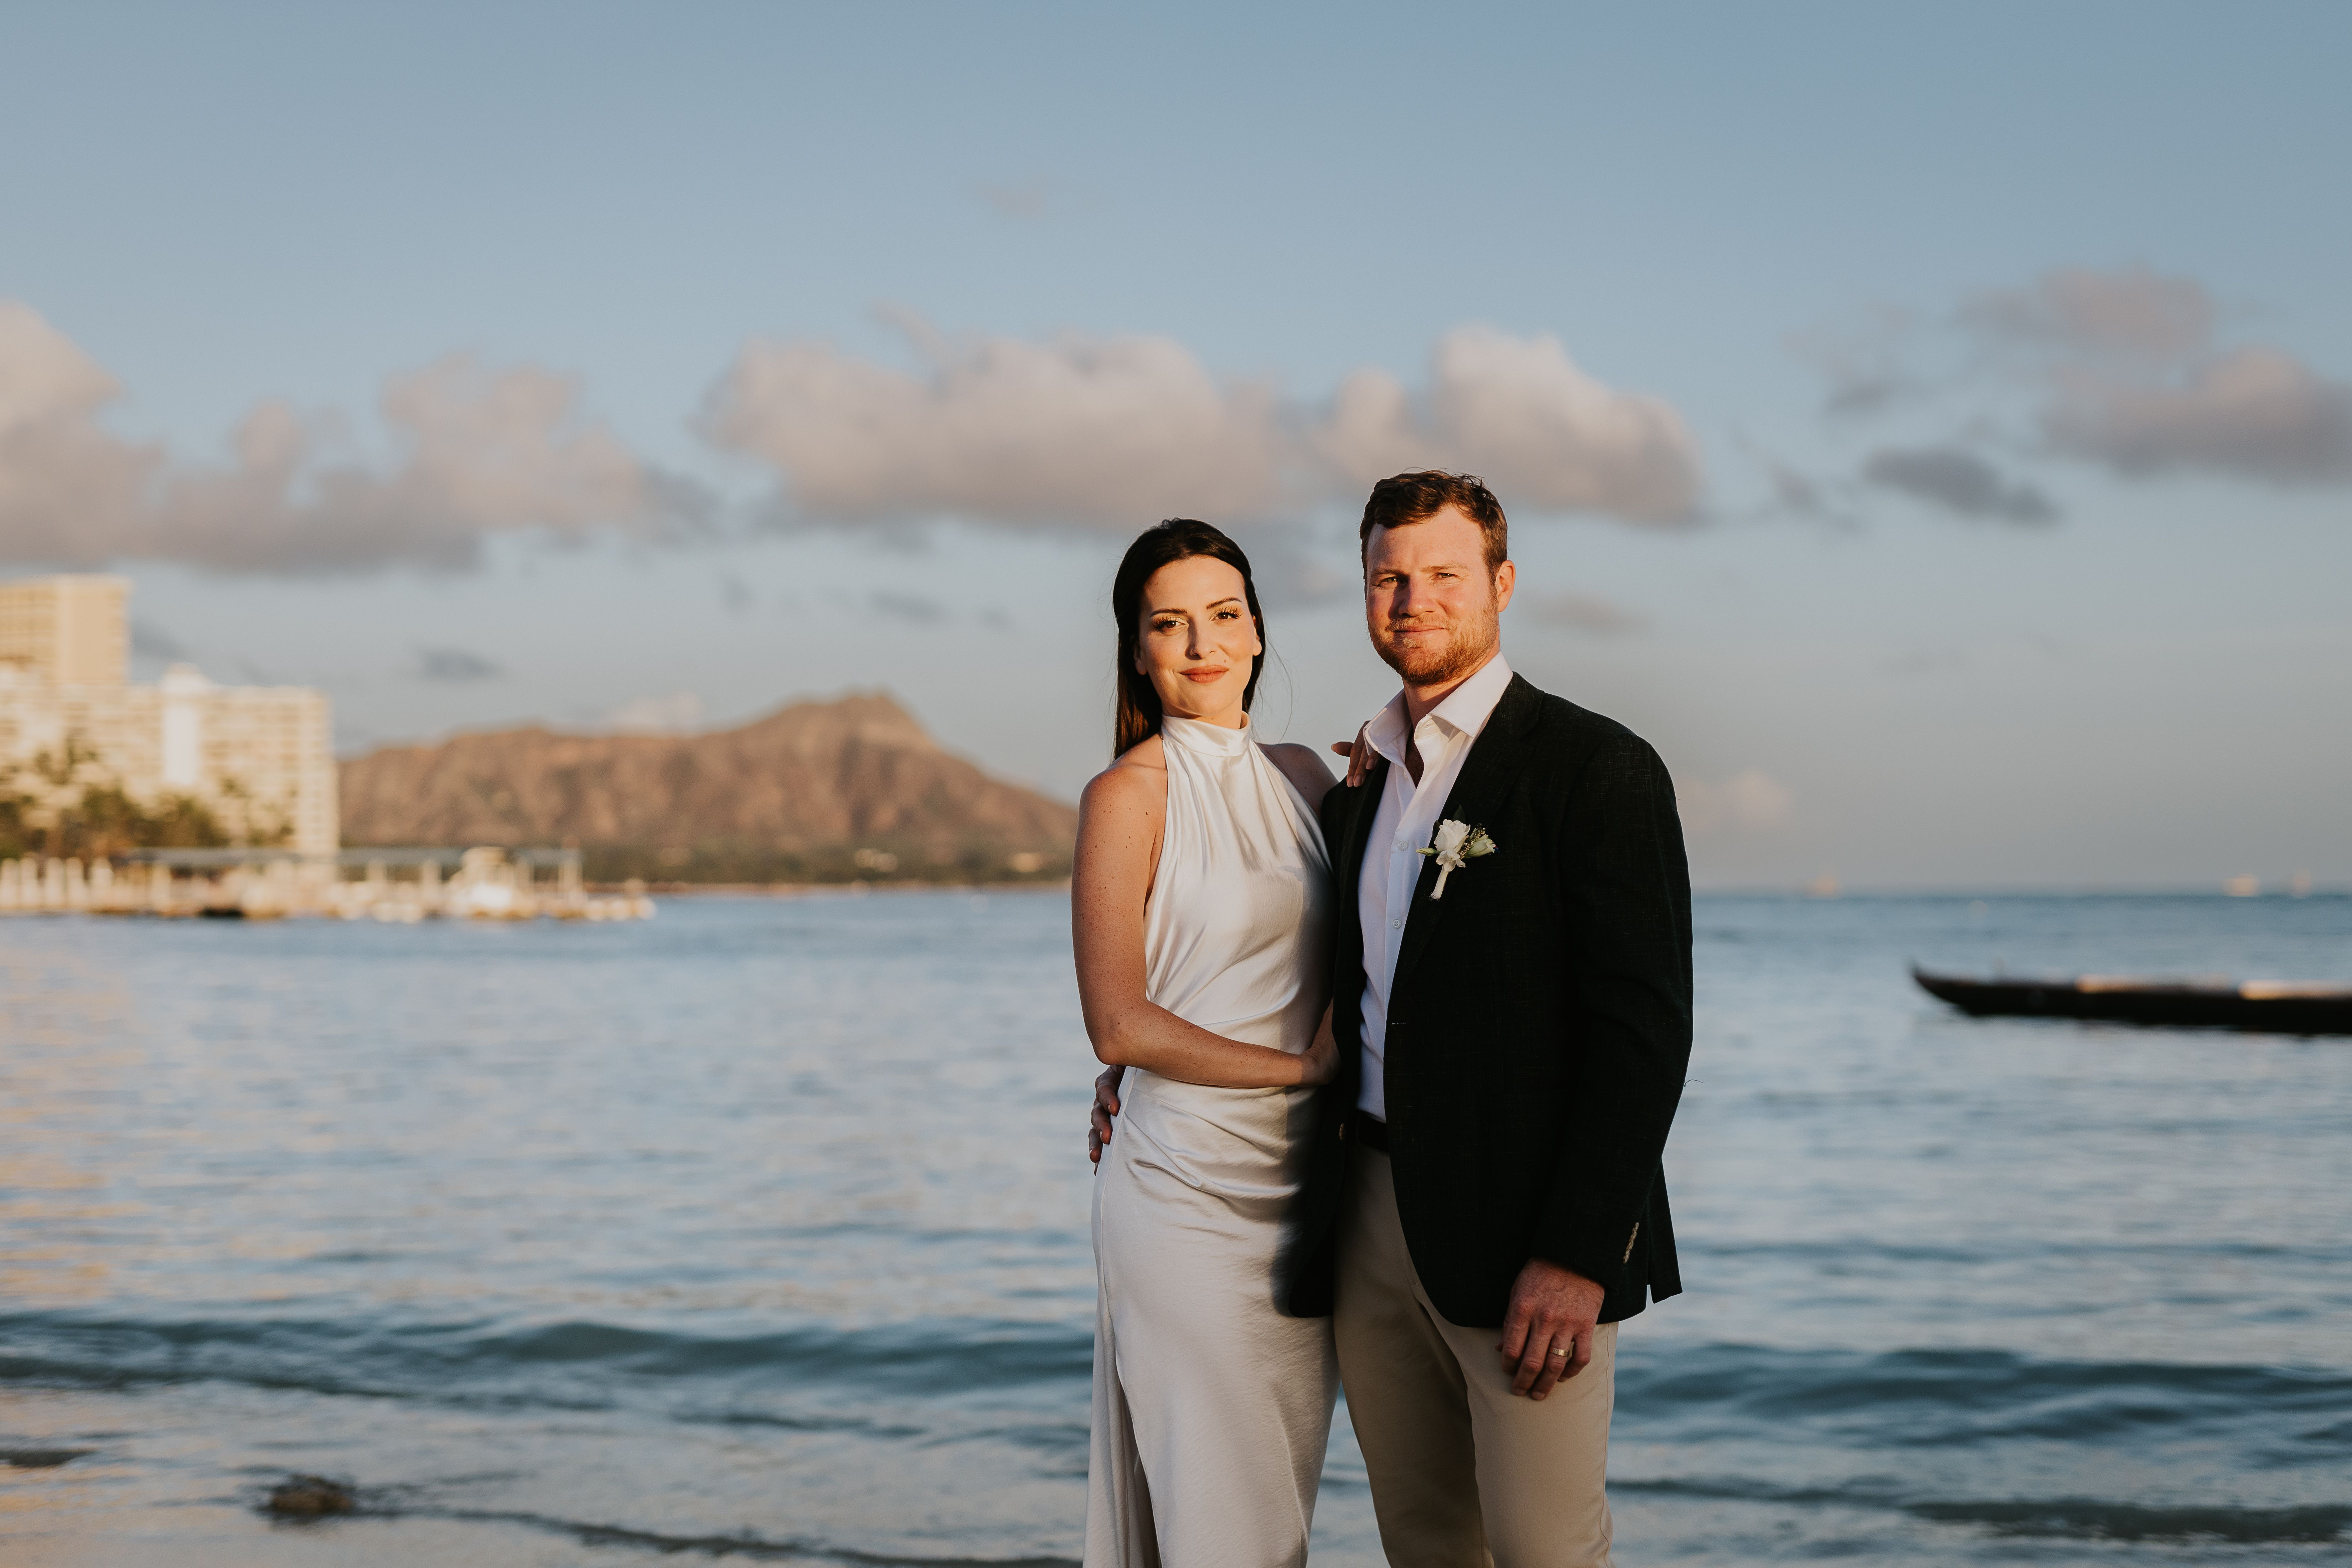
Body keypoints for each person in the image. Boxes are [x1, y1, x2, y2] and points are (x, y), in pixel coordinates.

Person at [1093, 472, 1692, 1567]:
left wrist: (1575, 1253)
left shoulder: (1594, 767)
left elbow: (1642, 1034)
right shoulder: (1358, 786)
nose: (1412, 599)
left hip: (1522, 1237)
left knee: (1542, 1545)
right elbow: (1299, 969)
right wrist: (1142, 1072)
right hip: (1357, 1216)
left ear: (1501, 585)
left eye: (1442, 576)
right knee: (1422, 1543)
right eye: (1388, 578)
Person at [1075, 518, 1345, 1568]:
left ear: (1258, 631)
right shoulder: (1125, 796)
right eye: (1170, 623)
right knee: (1225, 1528)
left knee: (1272, 1514)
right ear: (1137, 649)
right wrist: (1303, 1067)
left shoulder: (1312, 782)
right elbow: (1119, 1021)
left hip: (1305, 1199)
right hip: (1182, 1195)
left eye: (1224, 615)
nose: (1202, 643)